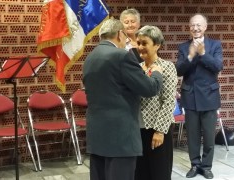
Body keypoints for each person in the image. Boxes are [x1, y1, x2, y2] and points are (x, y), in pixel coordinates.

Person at [83, 19, 163, 180]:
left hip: (97, 133)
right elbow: (149, 89)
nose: (127, 41)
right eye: (126, 37)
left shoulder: (90, 57)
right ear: (120, 34)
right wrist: (156, 73)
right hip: (120, 137)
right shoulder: (121, 56)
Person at [176, 13, 223, 179]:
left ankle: (206, 166)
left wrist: (202, 53)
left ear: (205, 27)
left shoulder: (215, 45)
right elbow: (179, 70)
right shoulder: (183, 47)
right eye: (192, 25)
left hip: (209, 96)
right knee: (193, 136)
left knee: (209, 136)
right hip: (190, 96)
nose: (195, 28)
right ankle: (195, 165)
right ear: (189, 28)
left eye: (198, 25)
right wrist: (190, 56)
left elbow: (218, 66)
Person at [134, 25, 178, 180]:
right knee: (140, 173)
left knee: (159, 172)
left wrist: (159, 131)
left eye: (144, 43)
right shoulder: (136, 68)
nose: (140, 47)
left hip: (158, 129)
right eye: (138, 43)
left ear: (157, 45)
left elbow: (168, 101)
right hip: (138, 129)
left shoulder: (167, 67)